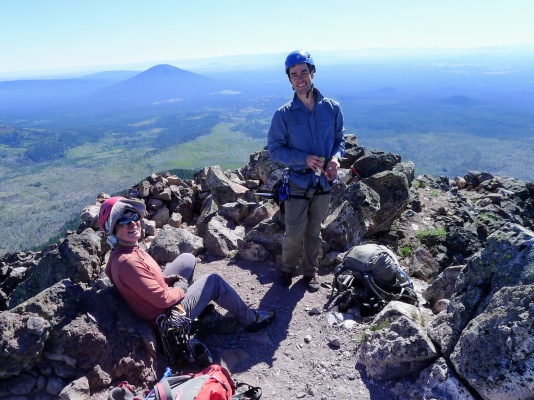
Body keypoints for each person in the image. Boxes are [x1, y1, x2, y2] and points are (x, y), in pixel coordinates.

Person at [99, 196, 275, 333]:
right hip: (166, 320)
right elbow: (161, 299)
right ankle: (251, 319)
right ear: (113, 230)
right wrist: (181, 288)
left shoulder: (124, 251)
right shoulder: (127, 262)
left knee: (187, 259)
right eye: (123, 220)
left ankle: (198, 305)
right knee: (213, 281)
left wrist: (167, 280)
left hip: (157, 305)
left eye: (134, 216)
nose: (132, 223)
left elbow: (142, 282)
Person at [268, 50, 346, 292]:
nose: (300, 78)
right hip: (297, 183)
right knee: (293, 232)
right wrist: (303, 158)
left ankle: (310, 273)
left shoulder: (331, 108)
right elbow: (275, 150)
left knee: (314, 231)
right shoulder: (283, 115)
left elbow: (339, 140)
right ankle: (288, 269)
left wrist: (335, 158)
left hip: (323, 183)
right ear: (289, 79)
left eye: (304, 72)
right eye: (294, 74)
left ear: (313, 73)